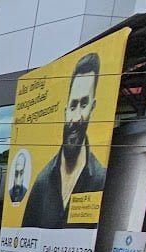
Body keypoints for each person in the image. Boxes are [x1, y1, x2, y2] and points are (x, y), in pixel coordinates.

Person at [21, 51, 108, 229]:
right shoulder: (41, 182)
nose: (76, 118)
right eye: (73, 105)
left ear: (93, 108)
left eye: (84, 104)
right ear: (65, 110)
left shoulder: (100, 179)